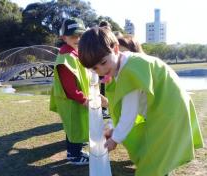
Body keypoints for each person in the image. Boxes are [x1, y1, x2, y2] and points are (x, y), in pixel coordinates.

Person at [78, 27, 204, 175]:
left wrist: (115, 139)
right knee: (157, 157)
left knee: (155, 160)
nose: (101, 70)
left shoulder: (130, 70)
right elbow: (124, 107)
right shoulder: (122, 66)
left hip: (169, 112)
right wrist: (113, 128)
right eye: (94, 68)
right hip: (164, 111)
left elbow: (129, 113)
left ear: (116, 49)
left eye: (103, 62)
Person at [50, 17, 90, 165]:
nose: (77, 39)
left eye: (80, 35)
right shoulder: (66, 56)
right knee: (74, 126)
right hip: (71, 100)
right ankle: (74, 156)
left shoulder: (74, 53)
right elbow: (69, 87)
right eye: (73, 36)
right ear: (64, 37)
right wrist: (83, 99)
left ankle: (76, 151)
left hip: (75, 99)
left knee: (75, 126)